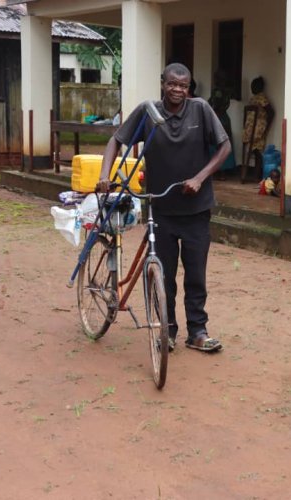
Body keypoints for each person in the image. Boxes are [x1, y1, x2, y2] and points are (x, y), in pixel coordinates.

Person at [96, 62, 231, 353]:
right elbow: (115, 141)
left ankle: (197, 331)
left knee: (196, 274)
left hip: (197, 210)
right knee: (164, 275)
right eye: (172, 84)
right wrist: (104, 175)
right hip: (161, 209)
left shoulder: (201, 111)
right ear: (162, 83)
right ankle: (166, 331)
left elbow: (225, 147)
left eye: (183, 85)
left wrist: (199, 178)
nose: (178, 90)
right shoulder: (148, 113)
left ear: (189, 87)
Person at [242, 76, 274, 168]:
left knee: (257, 150)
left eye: (254, 86)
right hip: (251, 128)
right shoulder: (253, 98)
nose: (252, 88)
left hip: (258, 128)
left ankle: (257, 173)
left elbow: (271, 112)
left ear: (260, 87)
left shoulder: (262, 98)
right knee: (254, 150)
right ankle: (254, 173)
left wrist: (266, 126)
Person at [208, 69, 237, 172]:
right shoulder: (228, 91)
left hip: (217, 118)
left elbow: (215, 104)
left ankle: (219, 171)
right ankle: (224, 171)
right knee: (225, 143)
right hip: (225, 118)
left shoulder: (217, 91)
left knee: (216, 144)